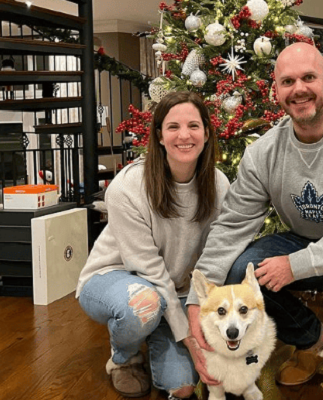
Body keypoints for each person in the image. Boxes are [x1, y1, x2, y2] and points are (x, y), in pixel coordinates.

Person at [186, 42, 323, 400]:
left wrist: (296, 264)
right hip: (303, 238)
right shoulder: (263, 152)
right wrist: (198, 299)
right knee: (238, 271)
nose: (299, 89)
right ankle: (311, 339)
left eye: (309, 77)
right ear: (276, 91)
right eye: (288, 81)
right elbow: (232, 224)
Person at [76, 91, 230, 398]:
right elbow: (147, 270)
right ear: (159, 135)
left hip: (175, 292)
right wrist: (188, 337)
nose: (184, 135)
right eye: (173, 127)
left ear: (207, 133)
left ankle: (152, 336)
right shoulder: (128, 186)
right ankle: (124, 358)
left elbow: (216, 258)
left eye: (193, 126)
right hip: (117, 279)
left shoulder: (219, 184)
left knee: (183, 388)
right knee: (143, 306)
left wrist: (197, 322)